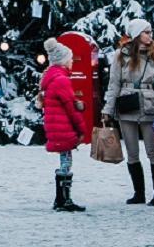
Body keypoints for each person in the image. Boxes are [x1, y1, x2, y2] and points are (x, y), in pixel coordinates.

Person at [106, 18, 154, 205]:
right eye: (146, 32)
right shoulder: (120, 55)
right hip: (126, 102)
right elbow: (114, 83)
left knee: (153, 151)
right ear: (136, 34)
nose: (150, 35)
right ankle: (138, 193)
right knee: (132, 152)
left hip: (149, 103)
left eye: (150, 32)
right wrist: (107, 109)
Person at [40, 38, 87, 212]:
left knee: (64, 160)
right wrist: (81, 129)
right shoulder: (62, 80)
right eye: (70, 59)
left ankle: (61, 198)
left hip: (55, 126)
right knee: (66, 162)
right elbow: (71, 109)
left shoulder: (51, 78)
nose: (72, 62)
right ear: (63, 60)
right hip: (64, 127)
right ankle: (63, 200)